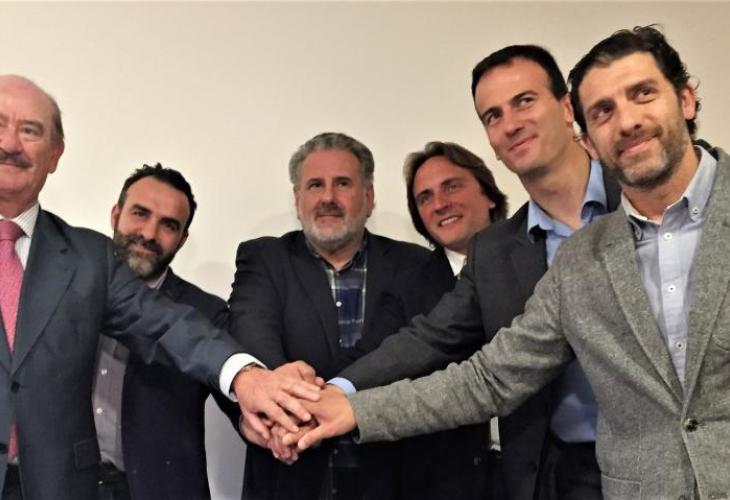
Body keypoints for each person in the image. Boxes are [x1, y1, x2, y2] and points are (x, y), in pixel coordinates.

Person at [296, 25, 728, 500]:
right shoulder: (566, 256)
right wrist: (342, 401)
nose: (626, 123)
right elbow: (482, 372)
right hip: (594, 477)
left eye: (642, 93)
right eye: (493, 115)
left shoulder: (634, 193)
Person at [281, 45, 621, 500]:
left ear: (566, 107)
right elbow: (433, 342)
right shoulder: (494, 252)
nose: (511, 124)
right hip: (562, 474)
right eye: (493, 116)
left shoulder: (641, 194)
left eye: (524, 101)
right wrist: (335, 393)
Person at [0, 74, 320, 500]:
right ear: (116, 213)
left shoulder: (88, 260)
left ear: (55, 153)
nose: (11, 143)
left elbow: (165, 324)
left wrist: (249, 378)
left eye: (30, 130)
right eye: (0, 124)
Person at [229, 132, 430, 500]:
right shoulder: (264, 258)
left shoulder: (416, 265)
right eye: (315, 185)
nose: (327, 198)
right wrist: (284, 408)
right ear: (298, 200)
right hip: (289, 475)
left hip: (393, 477)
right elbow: (251, 332)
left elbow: (417, 358)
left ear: (369, 197)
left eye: (343, 184)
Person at [93, 164, 234, 499]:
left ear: (182, 240)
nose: (149, 233)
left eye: (168, 225)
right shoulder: (70, 286)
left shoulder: (206, 313)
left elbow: (242, 404)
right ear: (115, 214)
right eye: (140, 213)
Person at [377, 141, 508, 500]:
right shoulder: (402, 290)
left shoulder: (539, 258)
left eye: (451, 186)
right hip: (443, 484)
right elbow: (377, 367)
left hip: (545, 477)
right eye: (425, 198)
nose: (439, 204)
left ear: (489, 195)